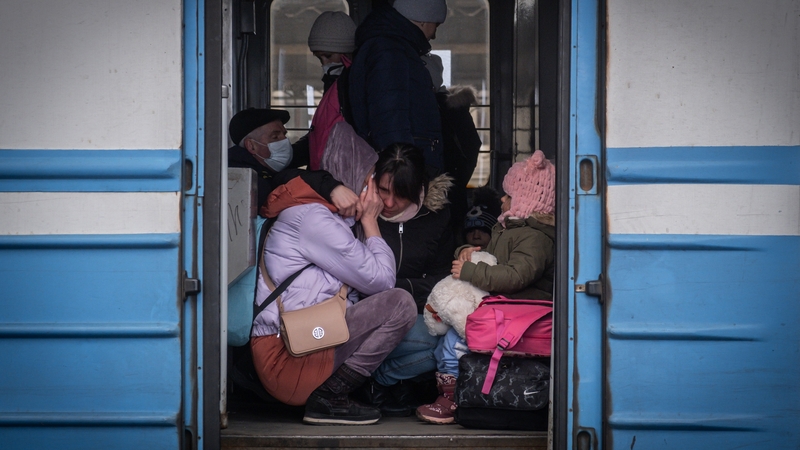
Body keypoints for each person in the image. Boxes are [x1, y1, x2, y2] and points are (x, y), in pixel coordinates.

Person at [250, 127, 417, 426]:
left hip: (304, 340)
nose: (378, 197)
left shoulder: (324, 215)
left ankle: (332, 395)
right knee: (400, 305)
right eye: (373, 183)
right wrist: (370, 222)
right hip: (286, 356)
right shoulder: (314, 219)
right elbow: (382, 281)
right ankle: (330, 397)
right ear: (353, 179)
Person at [415, 149, 556, 424]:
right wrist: (468, 250)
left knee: (455, 341)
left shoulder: (535, 239)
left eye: (509, 196)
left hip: (521, 316)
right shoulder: (512, 231)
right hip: (505, 309)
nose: (502, 199)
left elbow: (515, 277)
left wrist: (471, 271)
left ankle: (451, 398)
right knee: (447, 340)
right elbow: (490, 257)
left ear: (525, 201)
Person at [355, 143, 455, 416]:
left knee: (441, 342)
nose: (388, 203)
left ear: (418, 189)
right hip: (361, 316)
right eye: (384, 190)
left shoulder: (437, 217)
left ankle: (375, 380)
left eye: (400, 195)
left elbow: (441, 280)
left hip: (416, 314)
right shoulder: (355, 211)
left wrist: (391, 287)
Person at [348, 0, 447, 176]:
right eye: (436, 25)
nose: (434, 35)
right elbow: (390, 119)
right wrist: (403, 173)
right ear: (422, 20)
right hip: (406, 170)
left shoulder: (391, 47)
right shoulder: (390, 51)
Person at [227, 108, 359, 216]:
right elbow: (283, 180)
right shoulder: (239, 176)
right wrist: (331, 187)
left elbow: (307, 148)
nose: (284, 141)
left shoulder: (266, 161)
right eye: (275, 136)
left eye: (284, 134)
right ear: (251, 146)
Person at [422, 52, 483, 236]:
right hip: (452, 189)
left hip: (439, 190)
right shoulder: (454, 108)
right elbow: (473, 146)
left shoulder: (436, 109)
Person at [301, 11, 357, 170]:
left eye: (328, 56)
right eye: (320, 58)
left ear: (347, 53)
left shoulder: (351, 86)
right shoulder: (333, 83)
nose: (324, 64)